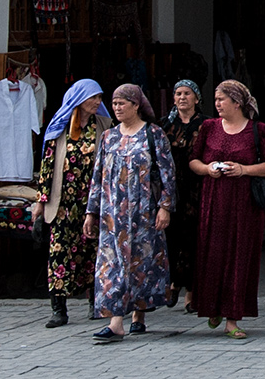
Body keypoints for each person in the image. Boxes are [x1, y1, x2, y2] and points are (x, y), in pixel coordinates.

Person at [84, 83, 175, 343]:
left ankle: (139, 314)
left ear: (136, 105)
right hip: (112, 215)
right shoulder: (108, 137)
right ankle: (115, 323)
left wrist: (165, 207)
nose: (117, 107)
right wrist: (91, 212)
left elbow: (168, 174)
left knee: (141, 265)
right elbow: (98, 176)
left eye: (122, 103)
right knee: (112, 266)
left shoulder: (153, 134)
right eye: (114, 103)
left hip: (144, 212)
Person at [189, 78, 265, 339]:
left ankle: (233, 319)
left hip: (244, 205)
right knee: (212, 254)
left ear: (237, 103)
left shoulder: (258, 130)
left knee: (239, 258)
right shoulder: (208, 127)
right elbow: (193, 160)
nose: (216, 104)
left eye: (221, 100)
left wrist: (243, 170)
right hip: (213, 201)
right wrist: (207, 169)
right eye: (215, 100)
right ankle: (212, 307)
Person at [32, 78, 109, 328]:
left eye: (99, 98)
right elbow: (47, 167)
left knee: (93, 251)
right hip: (63, 203)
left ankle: (95, 303)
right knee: (60, 253)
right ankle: (58, 309)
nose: (98, 102)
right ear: (79, 100)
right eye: (93, 98)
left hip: (92, 203)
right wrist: (41, 201)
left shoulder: (103, 126)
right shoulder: (61, 127)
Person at [160, 79, 207, 308]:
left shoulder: (207, 124)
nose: (182, 97)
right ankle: (173, 283)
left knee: (193, 238)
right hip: (172, 188)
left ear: (196, 98)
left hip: (197, 188)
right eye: (178, 93)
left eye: (187, 93)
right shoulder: (165, 125)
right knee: (173, 237)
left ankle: (191, 289)